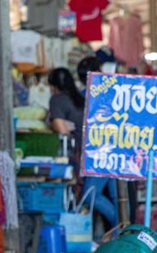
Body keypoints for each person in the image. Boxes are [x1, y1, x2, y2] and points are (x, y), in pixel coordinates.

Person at [51, 65, 119, 233]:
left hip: (93, 155)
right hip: (109, 148)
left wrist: (60, 125)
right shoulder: (81, 98)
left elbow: (61, 128)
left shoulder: (58, 99)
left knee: (89, 196)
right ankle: (121, 232)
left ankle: (123, 229)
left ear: (52, 85)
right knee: (114, 197)